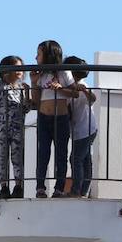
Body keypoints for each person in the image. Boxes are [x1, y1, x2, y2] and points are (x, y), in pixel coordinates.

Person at [30, 39, 73, 198]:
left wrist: (60, 89)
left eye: (39, 54)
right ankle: (40, 187)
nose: (36, 57)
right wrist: (33, 83)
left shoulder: (64, 72)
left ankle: (59, 188)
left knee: (61, 154)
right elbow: (36, 100)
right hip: (43, 118)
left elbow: (74, 93)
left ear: (48, 55)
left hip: (60, 119)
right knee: (43, 153)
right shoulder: (40, 75)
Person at [0, 55, 28, 199]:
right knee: (3, 157)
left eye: (21, 69)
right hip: (2, 128)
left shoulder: (21, 88)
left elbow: (26, 108)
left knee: (17, 158)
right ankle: (4, 187)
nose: (20, 72)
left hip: (17, 128)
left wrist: (27, 93)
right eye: (16, 68)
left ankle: (18, 186)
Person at [60, 56, 98, 198]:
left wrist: (84, 91)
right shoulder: (70, 87)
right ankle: (83, 191)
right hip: (82, 130)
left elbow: (92, 99)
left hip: (85, 130)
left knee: (75, 159)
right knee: (85, 159)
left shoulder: (82, 85)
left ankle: (76, 190)